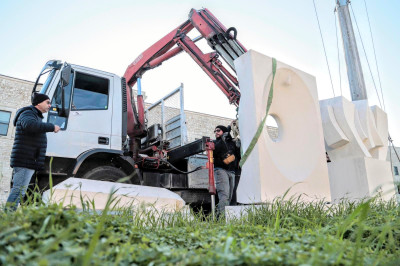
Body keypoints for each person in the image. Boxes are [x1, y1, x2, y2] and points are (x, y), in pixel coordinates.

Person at [5, 92, 60, 211]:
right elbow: (29, 125)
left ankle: (8, 214)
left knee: (21, 190)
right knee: (19, 189)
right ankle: (6, 215)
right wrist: (51, 127)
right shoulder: (28, 113)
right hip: (25, 159)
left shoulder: (35, 115)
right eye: (47, 102)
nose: (50, 105)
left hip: (28, 159)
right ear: (39, 103)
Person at [213, 125, 238, 216]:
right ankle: (221, 219)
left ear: (223, 131)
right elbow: (215, 151)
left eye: (218, 130)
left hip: (232, 171)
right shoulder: (215, 142)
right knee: (224, 196)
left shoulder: (231, 143)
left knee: (230, 197)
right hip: (220, 170)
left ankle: (225, 217)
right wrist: (223, 138)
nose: (216, 132)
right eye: (215, 131)